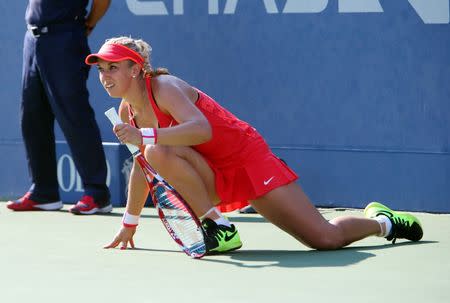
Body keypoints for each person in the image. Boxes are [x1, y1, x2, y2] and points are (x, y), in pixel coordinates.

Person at [85, 36, 423, 253]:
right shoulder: (130, 111)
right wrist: (129, 223)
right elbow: (146, 168)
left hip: (246, 158)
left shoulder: (165, 87)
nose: (105, 75)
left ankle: (384, 222)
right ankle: (218, 226)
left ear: (136, 68)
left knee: (324, 239)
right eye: (101, 69)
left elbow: (200, 130)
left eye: (113, 67)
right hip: (210, 173)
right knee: (154, 153)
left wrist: (145, 136)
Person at [7, 0, 112, 215]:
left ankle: (97, 194)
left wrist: (89, 23)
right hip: (33, 40)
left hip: (65, 38)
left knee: (74, 115)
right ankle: (44, 192)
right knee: (32, 117)